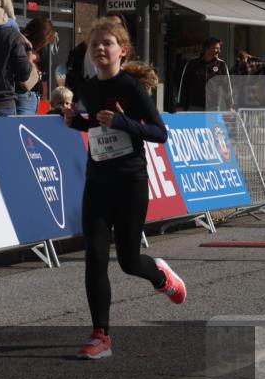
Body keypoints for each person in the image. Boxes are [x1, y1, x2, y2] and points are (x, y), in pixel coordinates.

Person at [64, 18, 185, 360]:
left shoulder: (131, 88)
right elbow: (97, 125)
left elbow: (160, 133)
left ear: (122, 50)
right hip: (98, 182)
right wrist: (77, 122)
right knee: (95, 256)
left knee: (129, 262)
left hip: (130, 182)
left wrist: (121, 122)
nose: (100, 49)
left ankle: (161, 277)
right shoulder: (87, 88)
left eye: (107, 43)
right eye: (95, 45)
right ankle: (100, 335)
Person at [65, 13, 126, 99]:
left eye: (118, 26)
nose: (100, 48)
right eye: (94, 44)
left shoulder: (131, 85)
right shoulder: (88, 53)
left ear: (124, 50)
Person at [175, 37, 234, 111]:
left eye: (219, 48)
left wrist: (230, 106)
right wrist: (180, 104)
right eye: (216, 48)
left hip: (213, 107)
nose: (219, 51)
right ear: (207, 48)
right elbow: (184, 85)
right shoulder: (192, 63)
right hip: (195, 107)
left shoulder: (221, 64)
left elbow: (227, 86)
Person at [16, 16, 57, 115]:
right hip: (23, 94)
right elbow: (24, 69)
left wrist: (44, 98)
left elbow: (44, 78)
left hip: (32, 95)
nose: (45, 44)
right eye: (45, 41)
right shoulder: (21, 43)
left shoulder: (39, 49)